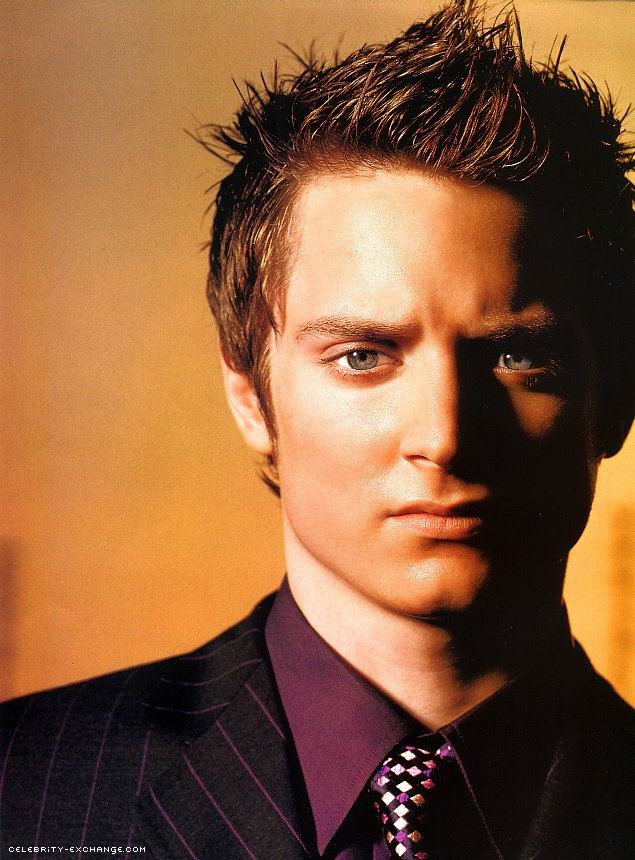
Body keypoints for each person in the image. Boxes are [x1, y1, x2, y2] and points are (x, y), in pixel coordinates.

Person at [1, 2, 633, 857]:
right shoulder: (20, 788)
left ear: (614, 398)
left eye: (518, 356)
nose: (443, 436)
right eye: (362, 356)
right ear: (250, 397)